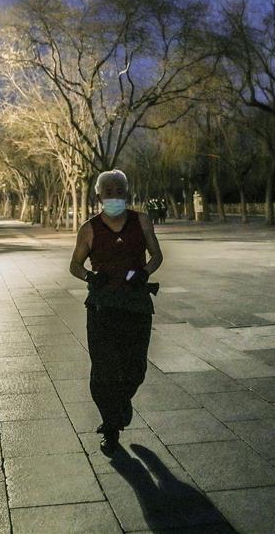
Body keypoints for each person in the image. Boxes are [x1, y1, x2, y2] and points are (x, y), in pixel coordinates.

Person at [69, 169, 163, 454]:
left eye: (119, 191)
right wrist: (89, 276)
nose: (114, 196)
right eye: (108, 192)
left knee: (136, 369)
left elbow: (156, 255)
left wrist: (144, 272)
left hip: (136, 305)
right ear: (99, 195)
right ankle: (110, 427)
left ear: (126, 193)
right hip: (102, 307)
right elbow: (75, 265)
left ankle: (122, 403)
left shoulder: (141, 221)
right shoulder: (89, 228)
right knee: (103, 371)